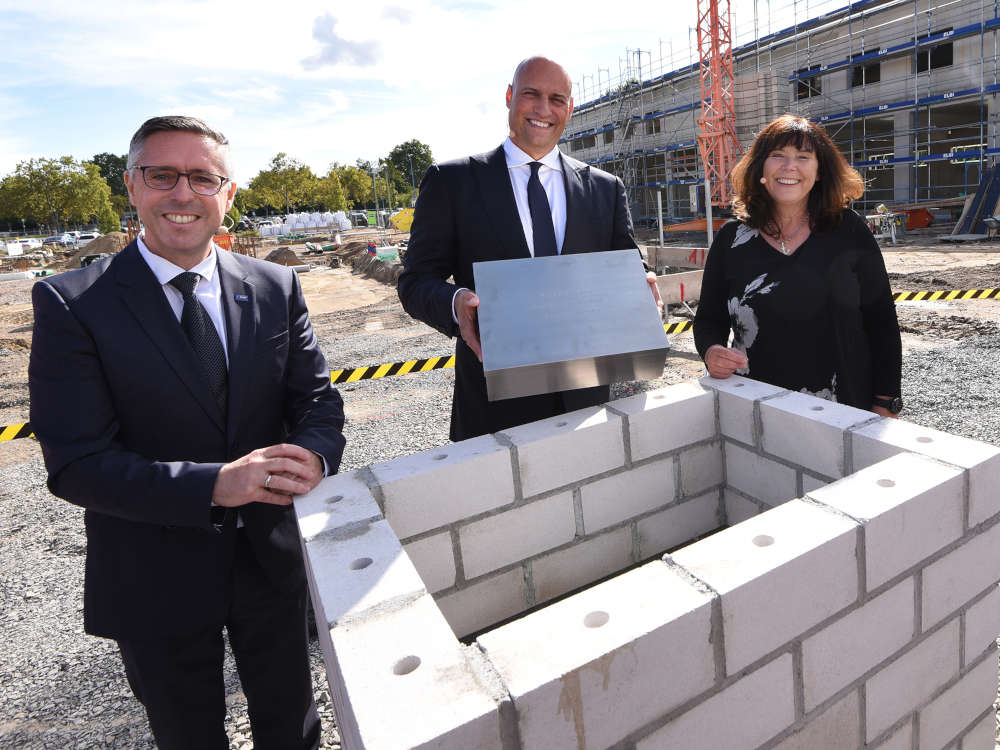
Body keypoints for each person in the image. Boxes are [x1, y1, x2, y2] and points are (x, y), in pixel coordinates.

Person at [28, 116, 345, 749]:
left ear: (228, 194)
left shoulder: (275, 285)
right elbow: (76, 463)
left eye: (203, 177)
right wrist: (215, 486)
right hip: (154, 572)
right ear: (131, 186)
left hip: (270, 561)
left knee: (293, 727)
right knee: (186, 734)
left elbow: (316, 402)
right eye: (162, 175)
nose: (182, 193)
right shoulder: (72, 305)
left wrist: (314, 454)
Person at [398, 55, 660, 441]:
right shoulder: (452, 183)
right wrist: (454, 302)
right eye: (531, 94)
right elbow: (415, 281)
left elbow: (625, 268)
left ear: (570, 109)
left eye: (557, 99)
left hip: (587, 403)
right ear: (509, 97)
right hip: (493, 409)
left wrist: (642, 289)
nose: (543, 109)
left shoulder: (605, 190)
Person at [693, 114, 902, 417]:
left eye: (803, 157)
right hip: (756, 409)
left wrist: (886, 402)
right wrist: (711, 351)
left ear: (819, 172)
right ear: (761, 168)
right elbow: (708, 319)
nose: (789, 166)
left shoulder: (849, 232)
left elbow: (881, 322)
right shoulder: (731, 239)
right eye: (777, 155)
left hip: (842, 410)